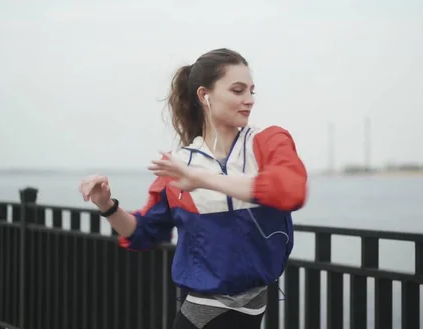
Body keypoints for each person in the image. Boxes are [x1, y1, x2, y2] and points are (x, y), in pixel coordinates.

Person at [78, 48, 308, 329]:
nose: (249, 100)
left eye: (251, 91)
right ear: (204, 96)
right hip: (203, 308)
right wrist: (106, 204)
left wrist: (202, 179)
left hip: (251, 306)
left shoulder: (268, 141)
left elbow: (292, 190)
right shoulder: (180, 165)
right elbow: (143, 232)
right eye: (238, 91)